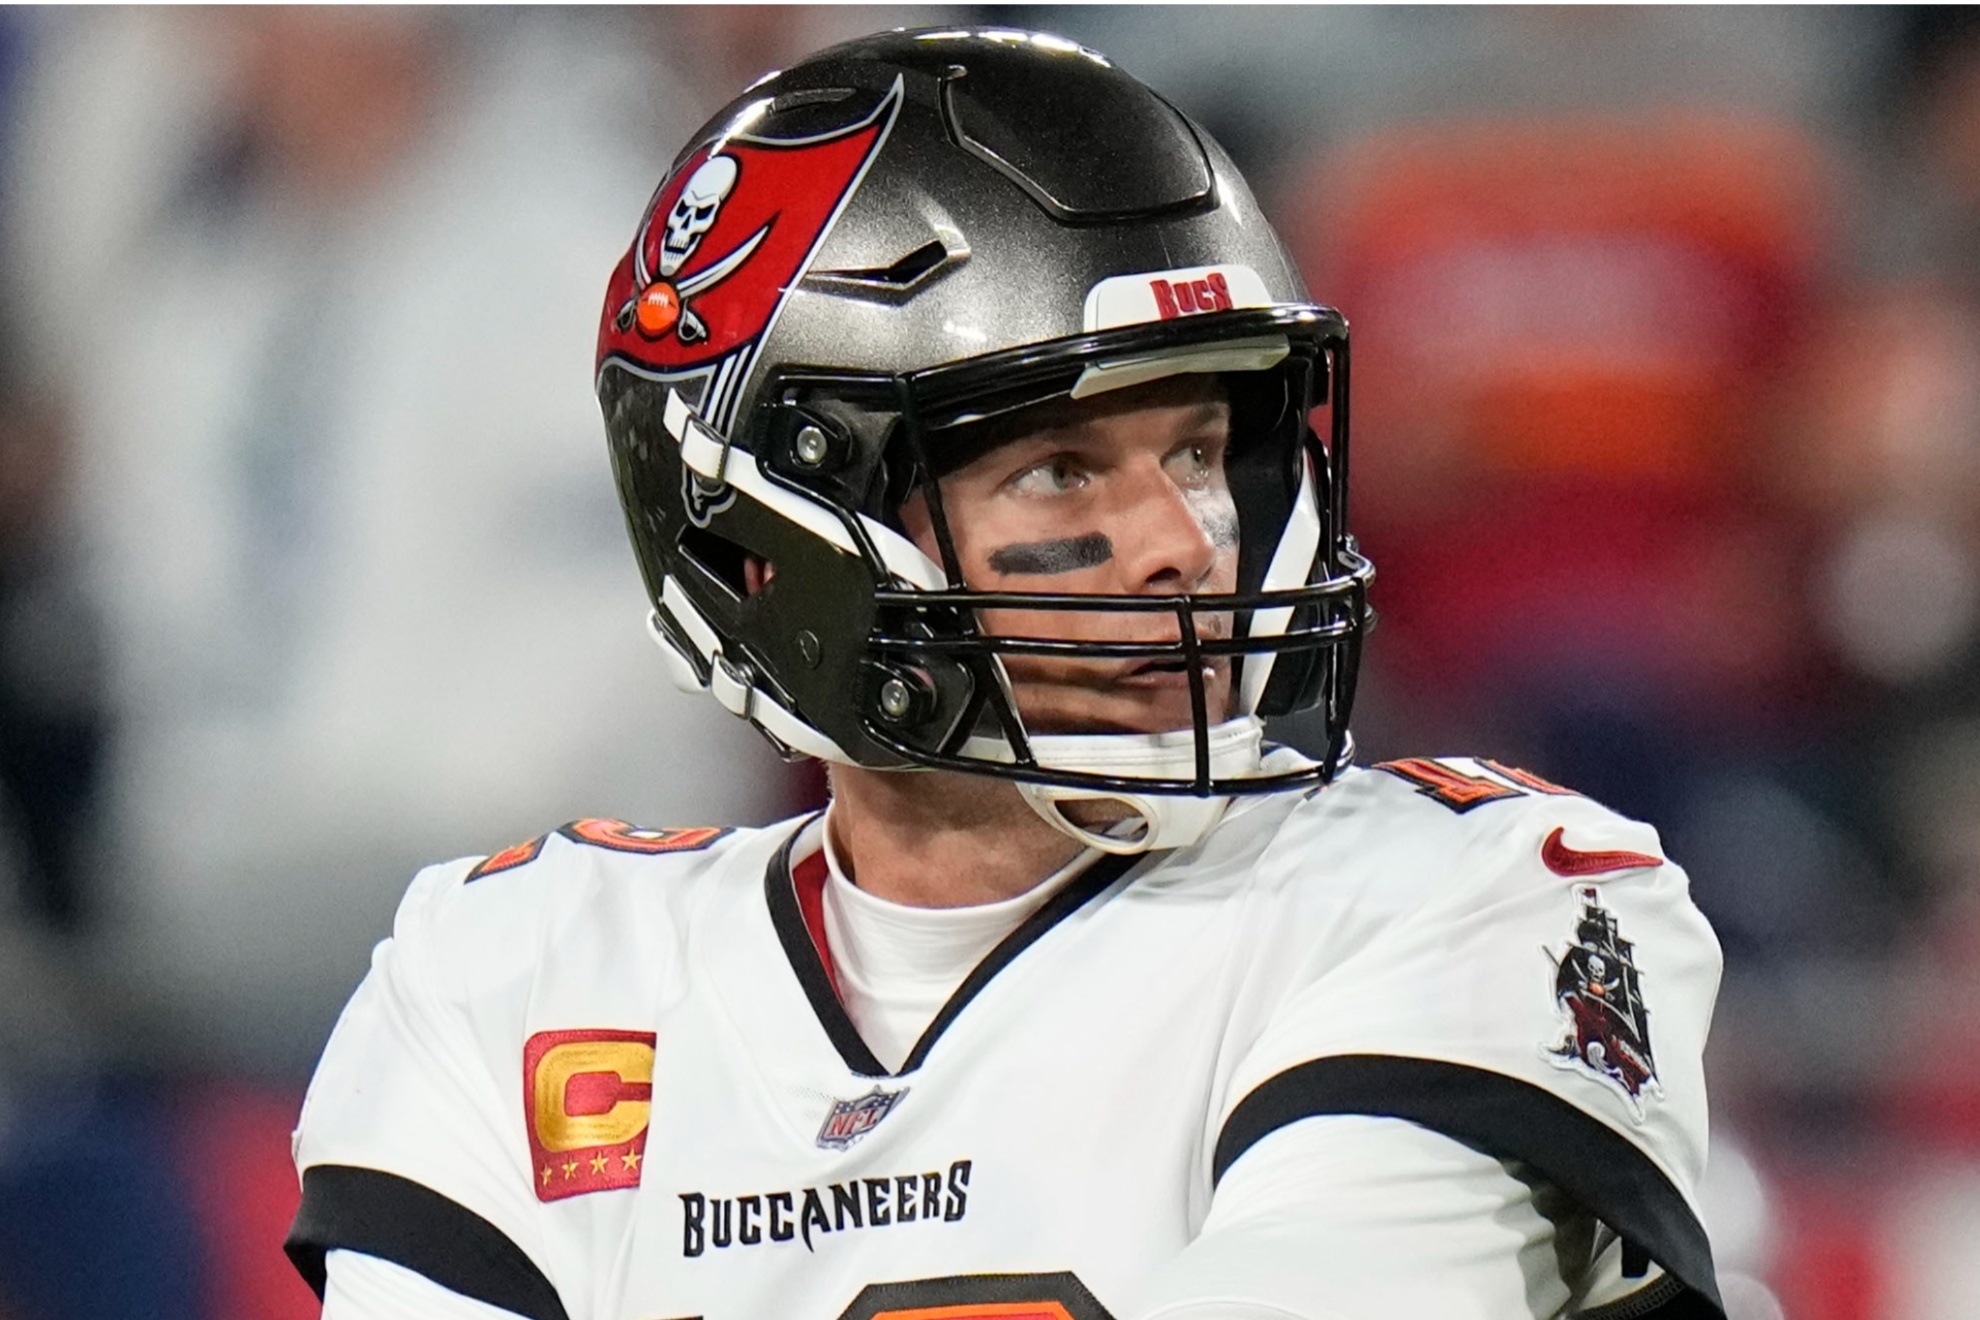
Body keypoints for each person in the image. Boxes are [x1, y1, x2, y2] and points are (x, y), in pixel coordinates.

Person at [286, 28, 1726, 1320]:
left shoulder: (1470, 899)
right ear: (775, 537)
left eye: (1200, 451)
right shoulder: (520, 981)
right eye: (1058, 469)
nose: (1182, 545)